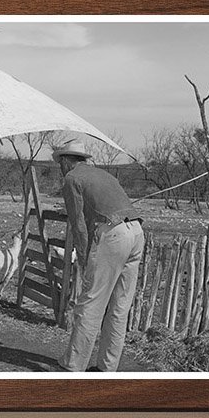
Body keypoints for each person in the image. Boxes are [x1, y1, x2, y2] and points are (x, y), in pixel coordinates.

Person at [53, 135, 144, 372]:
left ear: (64, 161)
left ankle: (73, 366)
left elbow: (78, 223)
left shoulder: (72, 179)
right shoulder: (103, 174)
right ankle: (107, 368)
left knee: (90, 303)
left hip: (113, 234)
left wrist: (84, 260)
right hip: (136, 231)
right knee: (119, 306)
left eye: (58, 163)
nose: (59, 168)